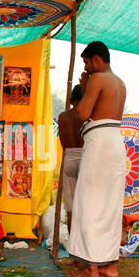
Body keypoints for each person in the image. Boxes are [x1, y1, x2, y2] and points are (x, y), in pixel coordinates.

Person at [68, 41, 126, 277]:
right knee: (111, 205)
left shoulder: (99, 78)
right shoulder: (120, 83)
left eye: (87, 63)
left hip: (99, 143)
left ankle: (91, 269)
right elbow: (107, 113)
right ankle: (110, 265)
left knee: (89, 202)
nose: (87, 68)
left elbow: (82, 113)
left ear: (97, 59)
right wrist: (86, 86)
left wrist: (85, 88)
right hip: (115, 142)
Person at [58, 84, 84, 232]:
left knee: (70, 205)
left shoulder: (63, 116)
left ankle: (73, 243)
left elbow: (63, 144)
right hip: (85, 157)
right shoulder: (87, 115)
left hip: (69, 157)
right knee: (87, 203)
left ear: (71, 100)